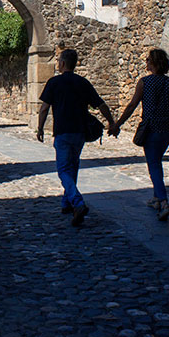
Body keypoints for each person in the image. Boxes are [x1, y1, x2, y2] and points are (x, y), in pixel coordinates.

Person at [36, 49, 117, 227]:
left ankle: (78, 203)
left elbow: (44, 108)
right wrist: (112, 122)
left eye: (58, 61)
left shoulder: (54, 82)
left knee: (63, 170)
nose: (57, 63)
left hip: (63, 132)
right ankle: (67, 203)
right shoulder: (83, 83)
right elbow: (101, 104)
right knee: (73, 166)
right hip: (79, 133)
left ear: (63, 63)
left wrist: (40, 128)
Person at [111, 48, 169, 221]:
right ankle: (156, 198)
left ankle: (164, 202)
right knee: (157, 161)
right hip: (167, 127)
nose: (146, 63)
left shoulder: (144, 82)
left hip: (151, 127)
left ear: (153, 63)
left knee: (153, 164)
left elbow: (132, 106)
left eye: (148, 60)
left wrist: (117, 124)